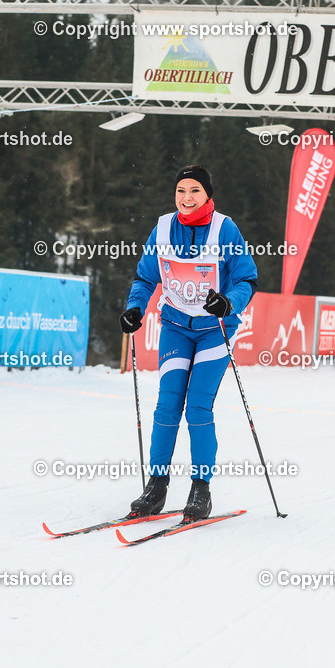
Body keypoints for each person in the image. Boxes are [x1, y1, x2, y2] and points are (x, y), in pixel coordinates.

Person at [120, 165, 258, 520]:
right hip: (176, 327)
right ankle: (157, 485)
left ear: (207, 194)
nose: (186, 198)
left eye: (194, 190)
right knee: (167, 406)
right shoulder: (163, 227)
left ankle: (201, 490)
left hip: (215, 330)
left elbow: (246, 278)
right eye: (181, 190)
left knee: (197, 407)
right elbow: (144, 277)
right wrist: (134, 309)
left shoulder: (224, 228)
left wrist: (229, 302)